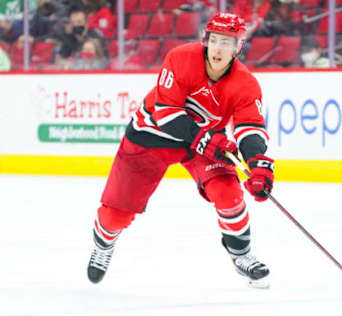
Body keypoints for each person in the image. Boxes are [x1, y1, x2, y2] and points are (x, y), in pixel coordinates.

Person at [87, 12, 275, 288]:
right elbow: (165, 112)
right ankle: (103, 246)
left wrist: (257, 163)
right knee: (115, 215)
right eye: (214, 40)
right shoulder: (180, 58)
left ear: (238, 47)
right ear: (205, 40)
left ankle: (242, 255)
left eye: (227, 42)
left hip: (202, 143)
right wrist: (203, 139)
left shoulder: (246, 84)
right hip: (151, 138)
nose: (218, 48)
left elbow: (251, 128)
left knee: (228, 192)